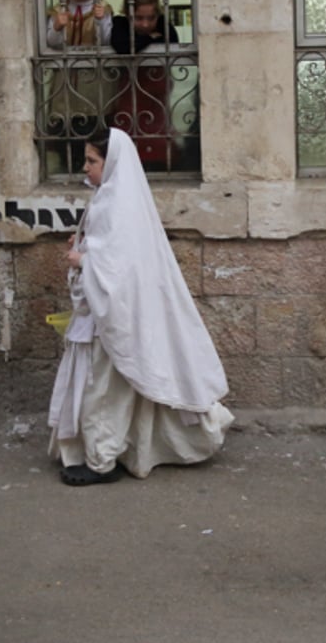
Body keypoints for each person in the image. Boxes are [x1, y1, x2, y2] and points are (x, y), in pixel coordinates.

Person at [47, 127, 233, 485]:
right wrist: (84, 247)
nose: (85, 168)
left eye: (92, 161)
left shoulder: (117, 205)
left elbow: (120, 265)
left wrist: (82, 261)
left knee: (103, 391)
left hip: (113, 317)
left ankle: (101, 461)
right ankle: (117, 450)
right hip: (109, 314)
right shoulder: (111, 199)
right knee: (109, 389)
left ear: (112, 161)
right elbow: (112, 252)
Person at [44, 0, 115, 174]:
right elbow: (51, 42)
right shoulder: (58, 10)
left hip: (91, 84)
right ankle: (68, 167)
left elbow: (106, 41)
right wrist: (57, 26)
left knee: (91, 129)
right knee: (66, 131)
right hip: (64, 85)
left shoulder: (102, 8)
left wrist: (102, 19)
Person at [109, 0, 180, 169]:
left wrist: (143, 41)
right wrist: (150, 39)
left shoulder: (164, 25)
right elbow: (123, 46)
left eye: (151, 18)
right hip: (129, 99)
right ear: (127, 13)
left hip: (157, 101)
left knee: (156, 149)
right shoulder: (120, 24)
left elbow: (173, 40)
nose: (146, 24)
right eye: (138, 18)